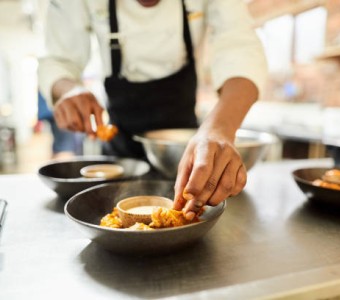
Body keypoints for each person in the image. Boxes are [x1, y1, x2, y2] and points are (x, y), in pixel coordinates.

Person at [38, 0, 267, 220]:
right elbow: (58, 60)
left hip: (183, 155)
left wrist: (219, 128)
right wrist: (67, 90)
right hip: (119, 158)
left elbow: (241, 49)